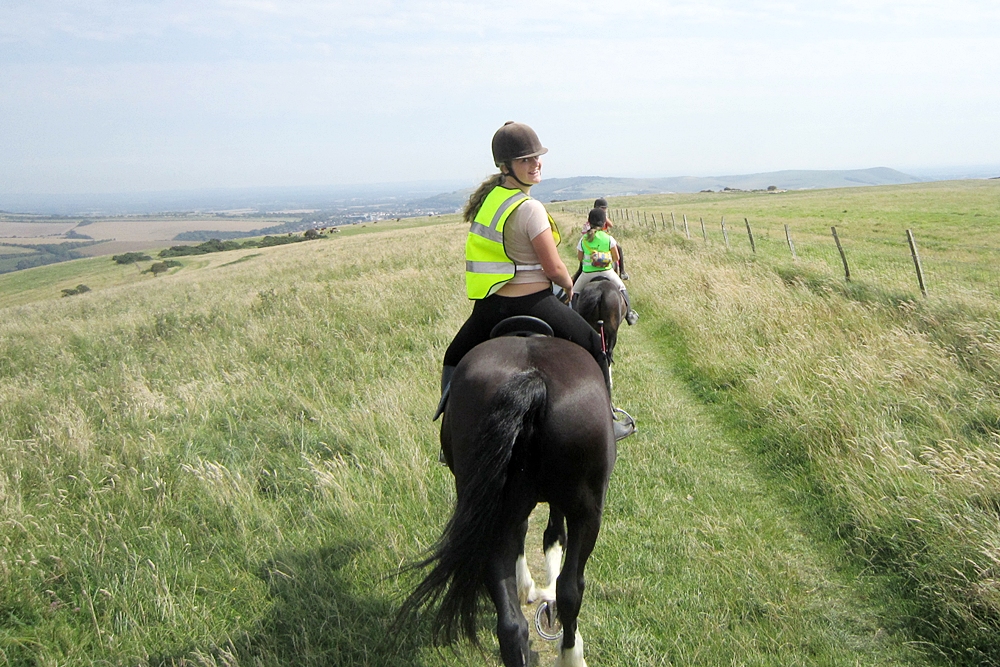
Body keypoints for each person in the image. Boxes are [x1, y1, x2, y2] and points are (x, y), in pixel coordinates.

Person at [436, 121, 633, 440]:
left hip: (489, 308)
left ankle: (448, 438)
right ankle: (608, 419)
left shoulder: (490, 201)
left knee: (453, 356)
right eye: (525, 159)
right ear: (506, 166)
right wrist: (567, 284)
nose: (535, 163)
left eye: (536, 157)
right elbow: (554, 269)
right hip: (535, 304)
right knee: (594, 346)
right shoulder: (530, 208)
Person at [574, 208, 639, 325]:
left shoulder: (583, 239)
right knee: (622, 287)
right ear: (604, 223)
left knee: (575, 291)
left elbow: (579, 258)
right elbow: (616, 257)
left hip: (587, 273)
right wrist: (605, 259)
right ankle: (629, 315)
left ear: (589, 222)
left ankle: (573, 316)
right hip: (607, 272)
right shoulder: (609, 238)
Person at [593, 197, 628, 280]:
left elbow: (611, 225)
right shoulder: (593, 216)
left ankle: (622, 271)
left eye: (605, 208)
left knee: (619, 249)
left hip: (605, 239)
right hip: (595, 240)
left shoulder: (604, 217)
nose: (605, 210)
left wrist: (604, 216)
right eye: (603, 208)